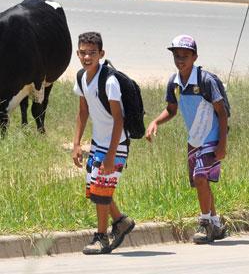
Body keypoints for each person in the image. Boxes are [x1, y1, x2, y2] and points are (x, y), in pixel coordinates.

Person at [145, 35, 229, 243]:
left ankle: (205, 223)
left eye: (185, 56)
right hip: (194, 139)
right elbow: (171, 110)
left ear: (195, 57)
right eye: (176, 56)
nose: (180, 60)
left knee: (201, 178)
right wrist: (155, 121)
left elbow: (222, 112)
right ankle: (216, 224)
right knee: (202, 182)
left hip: (212, 136)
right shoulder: (174, 82)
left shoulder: (206, 81)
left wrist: (222, 143)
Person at [72, 31, 135, 255]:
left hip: (116, 145)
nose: (87, 57)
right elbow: (82, 111)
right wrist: (77, 143)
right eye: (83, 53)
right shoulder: (81, 77)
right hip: (98, 143)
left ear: (101, 54)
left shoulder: (109, 81)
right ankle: (120, 221)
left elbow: (119, 118)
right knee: (96, 190)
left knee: (101, 191)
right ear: (77, 53)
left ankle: (101, 238)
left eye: (92, 53)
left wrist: (110, 155)